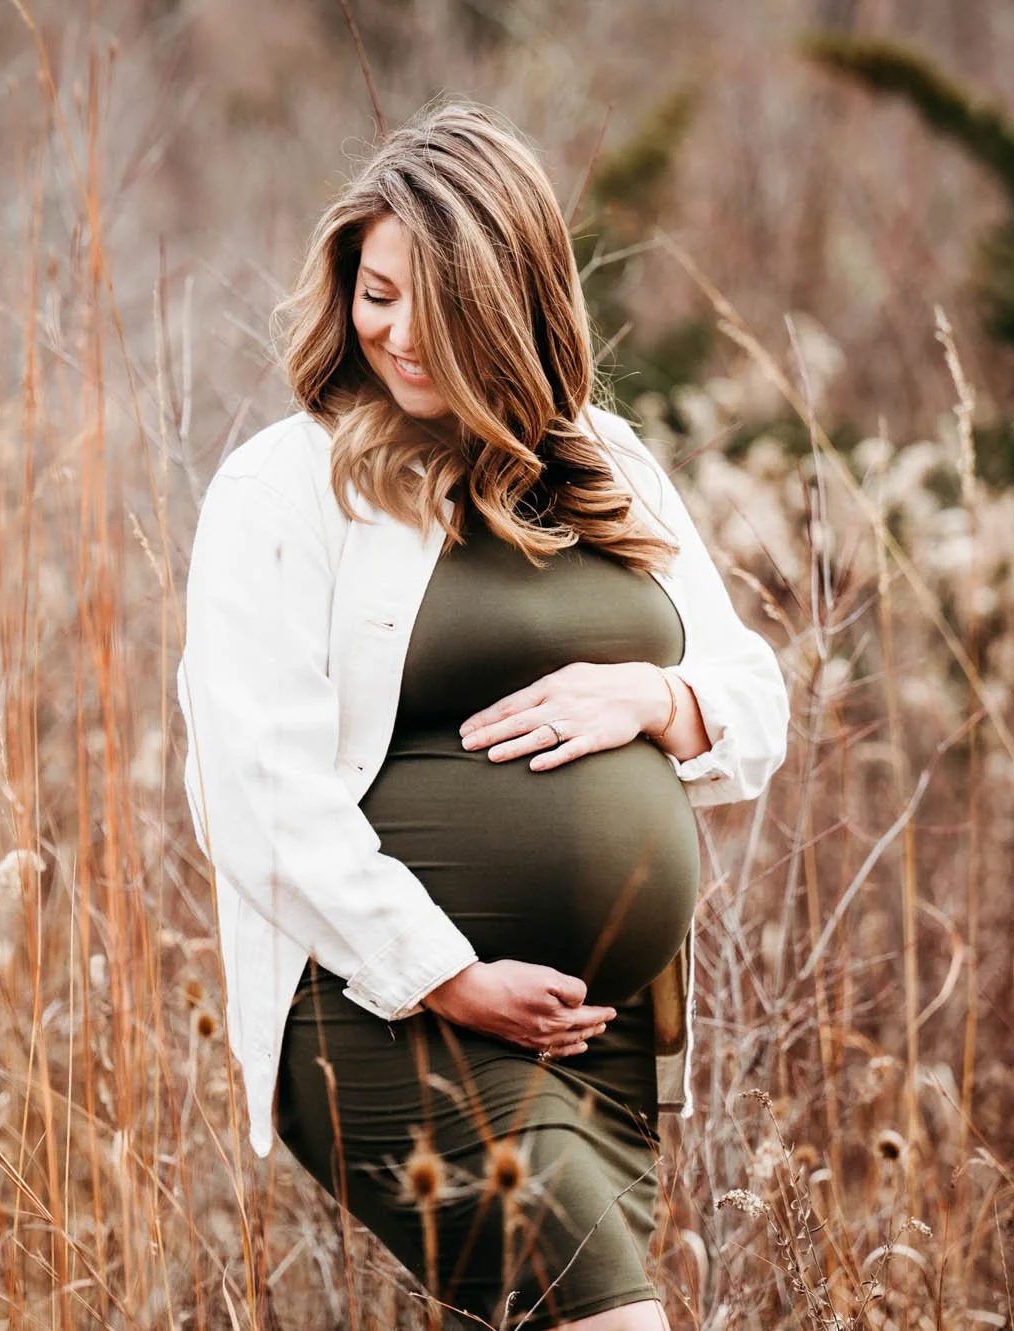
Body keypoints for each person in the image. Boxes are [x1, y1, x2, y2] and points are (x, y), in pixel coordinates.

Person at [176, 99, 789, 1329]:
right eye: (375, 293)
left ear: (511, 300)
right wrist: (447, 974)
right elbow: (251, 788)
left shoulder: (605, 458)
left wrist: (656, 694)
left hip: (595, 1039)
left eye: (434, 302)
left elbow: (753, 698)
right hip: (382, 1011)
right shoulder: (284, 484)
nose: (396, 332)